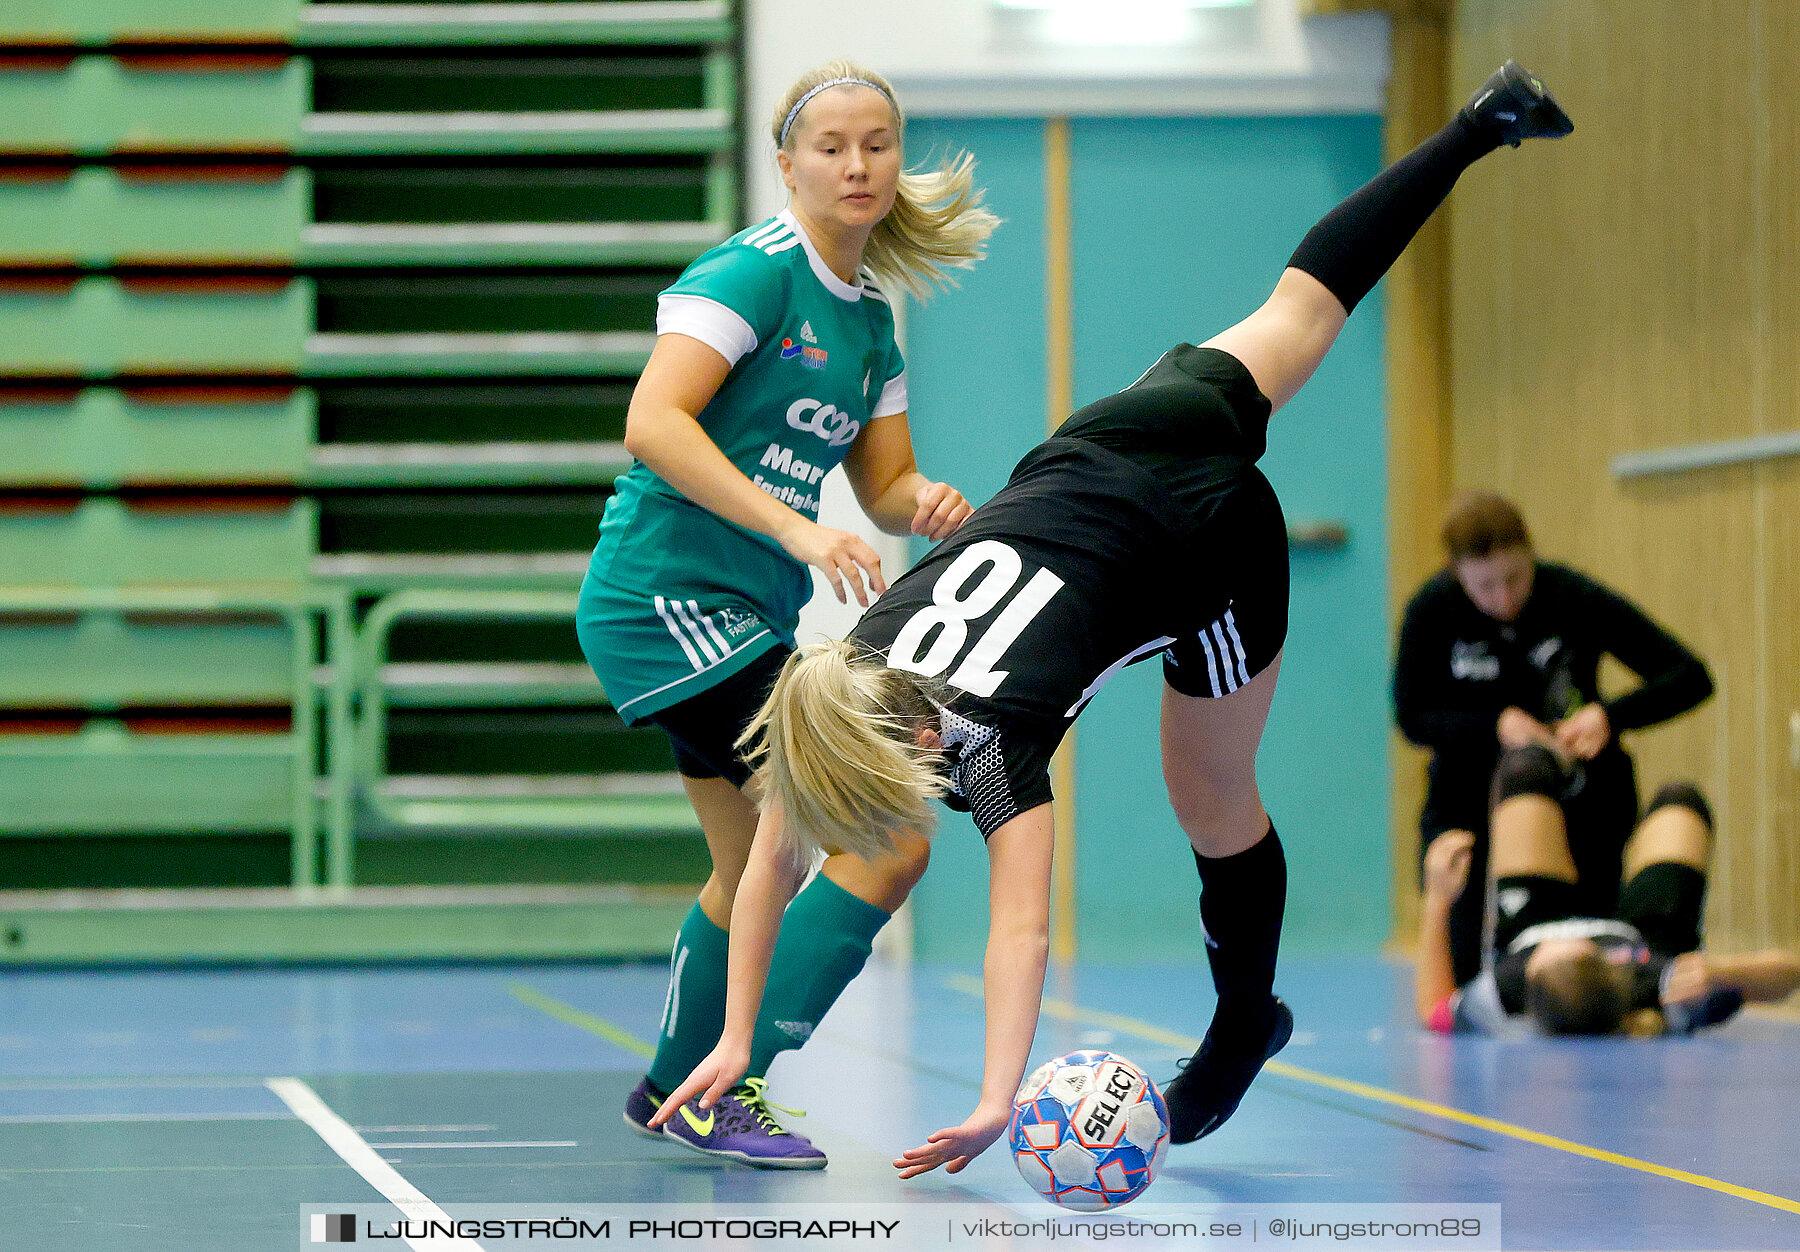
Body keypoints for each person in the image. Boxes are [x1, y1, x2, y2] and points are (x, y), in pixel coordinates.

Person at [649, 62, 1576, 1176]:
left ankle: (1242, 1026)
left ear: (912, 746)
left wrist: (999, 1098)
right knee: (1301, 309)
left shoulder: (988, 750)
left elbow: (1019, 929)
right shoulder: (846, 672)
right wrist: (737, 1038)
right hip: (1115, 438)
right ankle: (1480, 123)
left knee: (1210, 790)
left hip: (1207, 542)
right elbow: (770, 864)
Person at [578, 60, 998, 1168]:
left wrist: (928, 503)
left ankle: (677, 1085)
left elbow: (886, 484)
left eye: (877, 145)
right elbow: (652, 423)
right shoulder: (753, 274)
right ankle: (731, 1078)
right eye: (831, 147)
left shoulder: (871, 323)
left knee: (747, 863)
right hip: (663, 594)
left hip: (739, 611)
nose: (857, 165)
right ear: (787, 164)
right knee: (890, 837)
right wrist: (799, 531)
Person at [1394, 492, 1713, 987]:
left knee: (1583, 969)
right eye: (1485, 587)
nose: (1504, 598)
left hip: (1579, 806)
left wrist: (1609, 716)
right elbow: (1412, 715)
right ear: (1456, 573)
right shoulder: (1431, 611)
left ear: (1531, 555)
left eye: (1515, 578)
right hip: (1467, 802)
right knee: (1467, 978)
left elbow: (1690, 676)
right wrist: (1494, 725)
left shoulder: (1571, 596)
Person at [1415, 754, 1800, 1035]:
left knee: (1523, 772)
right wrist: (1722, 972)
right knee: (1680, 799)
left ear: (1530, 973)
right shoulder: (1654, 983)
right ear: (1609, 965)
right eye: (1584, 947)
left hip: (1532, 919)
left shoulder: (1506, 991)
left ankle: (1569, 774)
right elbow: (1792, 973)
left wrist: (1437, 898)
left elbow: (1434, 1009)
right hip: (1648, 936)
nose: (1572, 935)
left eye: (1553, 948)